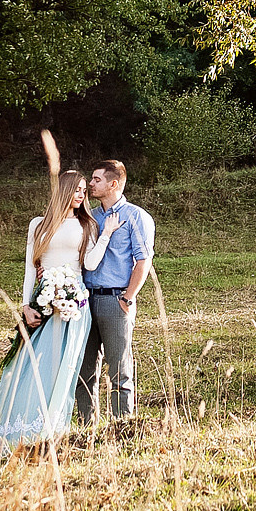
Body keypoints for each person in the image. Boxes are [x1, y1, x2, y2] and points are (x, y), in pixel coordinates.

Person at [0, 169, 105, 455]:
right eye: (76, 189)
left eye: (84, 190)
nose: (81, 195)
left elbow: (89, 264)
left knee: (63, 366)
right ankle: (19, 432)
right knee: (30, 364)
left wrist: (107, 233)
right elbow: (30, 268)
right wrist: (25, 306)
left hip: (73, 304)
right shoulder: (37, 225)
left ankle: (51, 432)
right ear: (63, 190)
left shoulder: (86, 224)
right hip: (44, 300)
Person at [76, 158, 153, 423]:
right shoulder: (91, 216)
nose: (91, 184)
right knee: (85, 369)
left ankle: (123, 426)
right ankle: (86, 425)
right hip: (86, 300)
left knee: (119, 368)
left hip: (115, 300)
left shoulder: (136, 216)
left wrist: (128, 297)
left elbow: (143, 260)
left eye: (96, 180)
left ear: (113, 184)